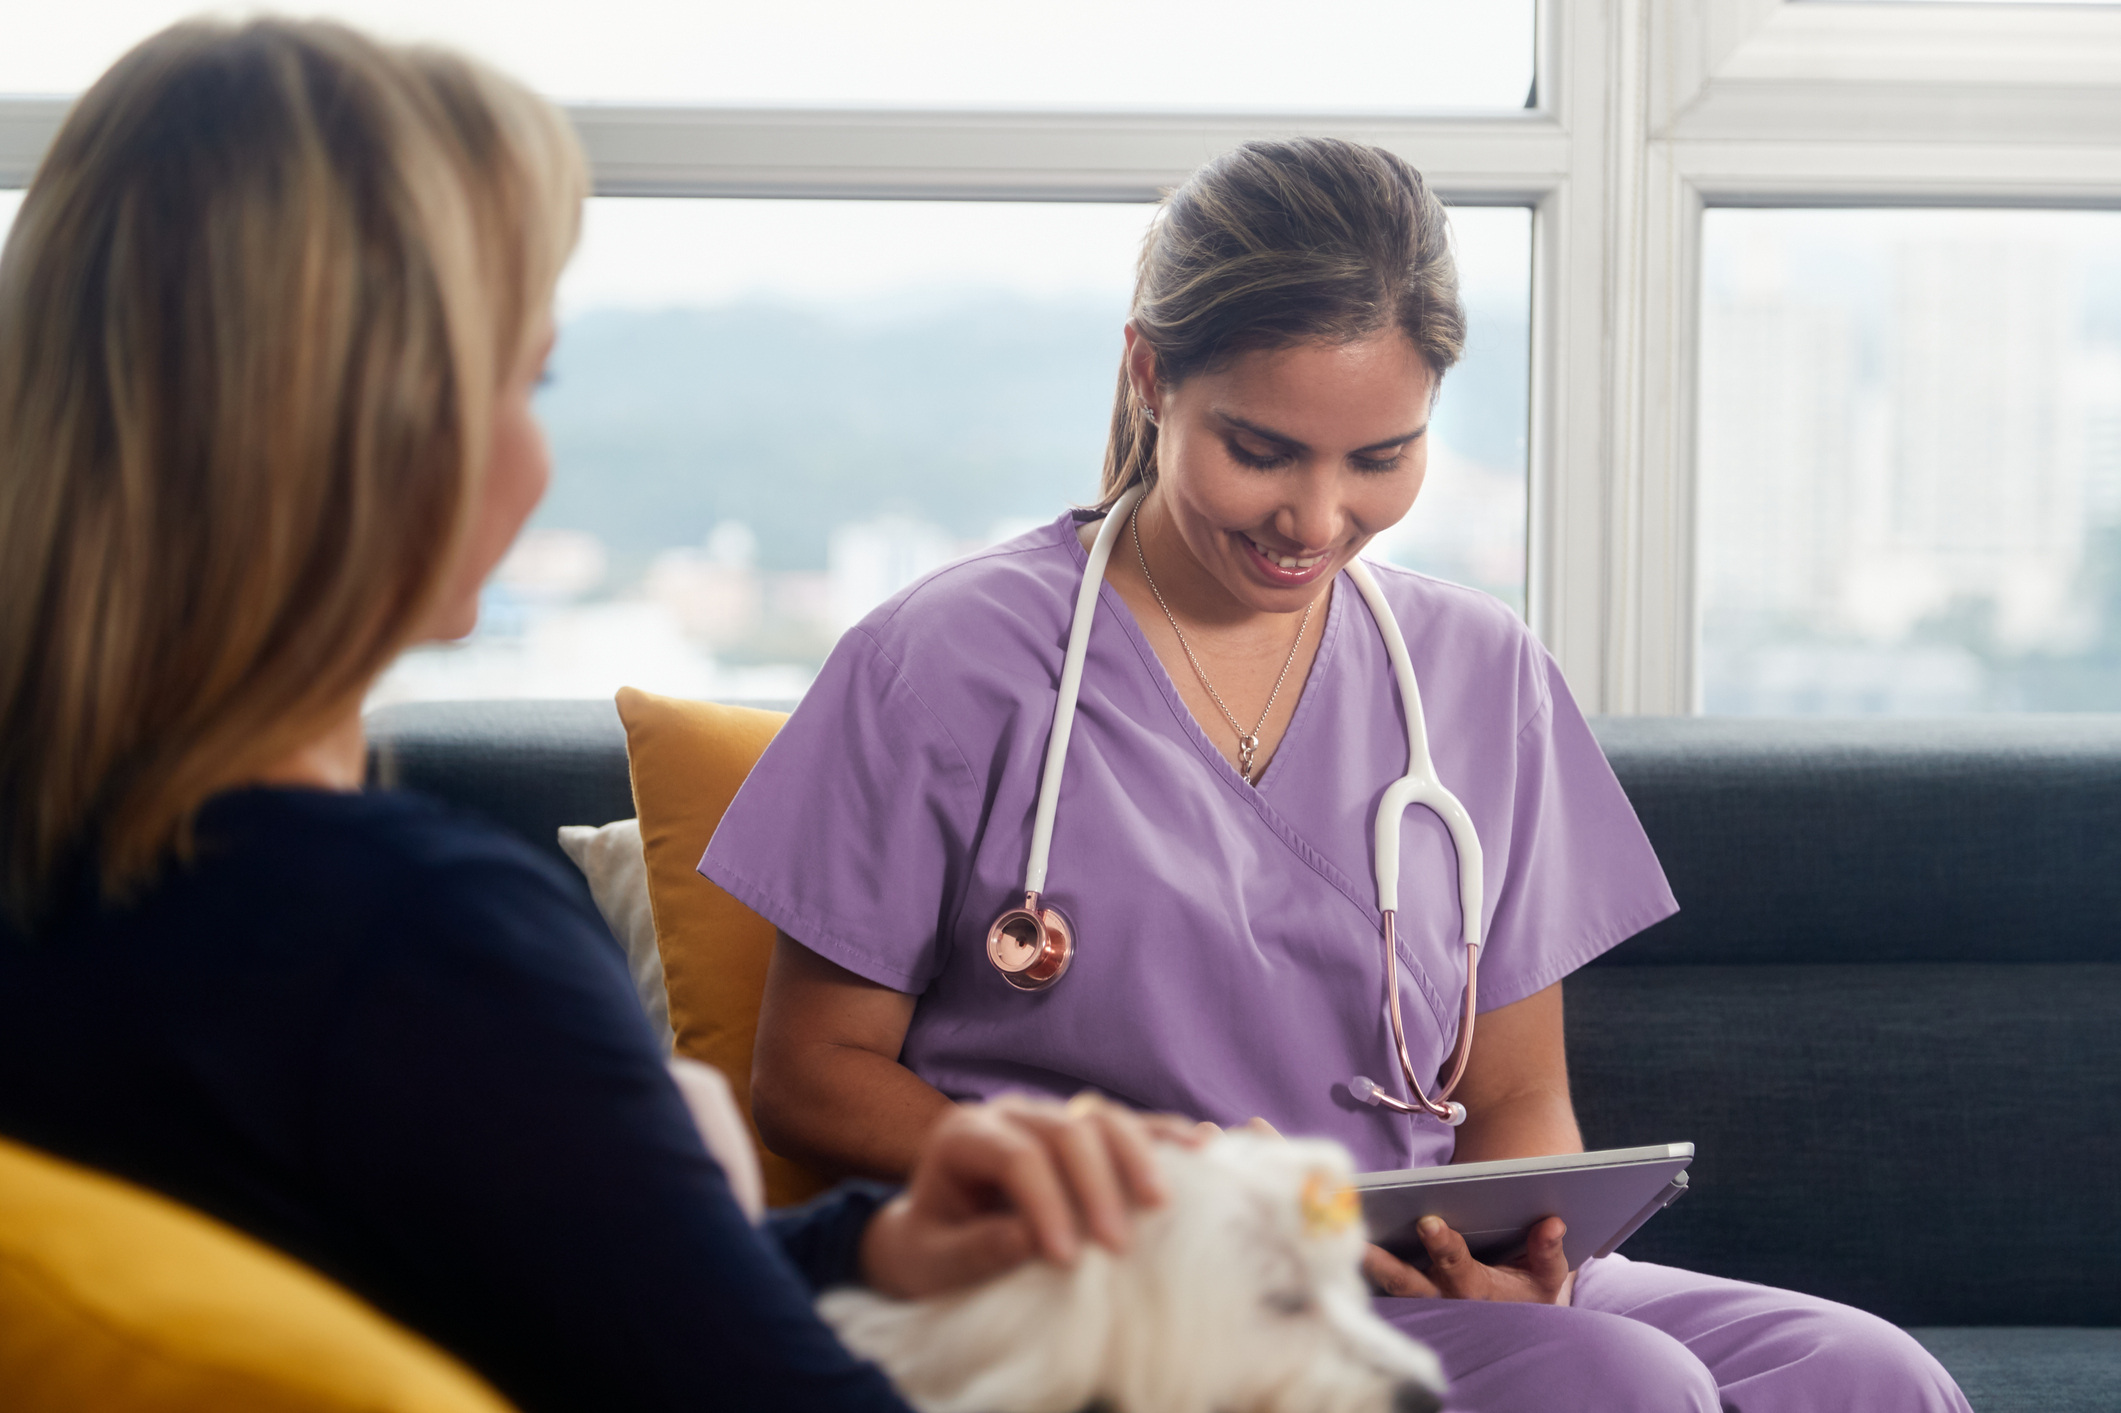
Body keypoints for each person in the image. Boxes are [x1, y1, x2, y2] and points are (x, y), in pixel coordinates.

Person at [0, 20, 1177, 1413]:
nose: (537, 446)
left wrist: (866, 1245)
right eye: (529, 376)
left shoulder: (87, 890)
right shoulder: (420, 953)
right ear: (384, 431)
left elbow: (525, 1292)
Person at [702, 138, 1971, 1413]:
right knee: (1614, 1387)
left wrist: (1533, 1263)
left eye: (1380, 460)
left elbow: (1520, 1097)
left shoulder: (1480, 671)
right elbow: (810, 1076)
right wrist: (1123, 1172)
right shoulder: (946, 661)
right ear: (1151, 375)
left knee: (1866, 1377)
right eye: (1261, 450)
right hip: (1113, 1272)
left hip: (1408, 1269)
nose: (1315, 521)